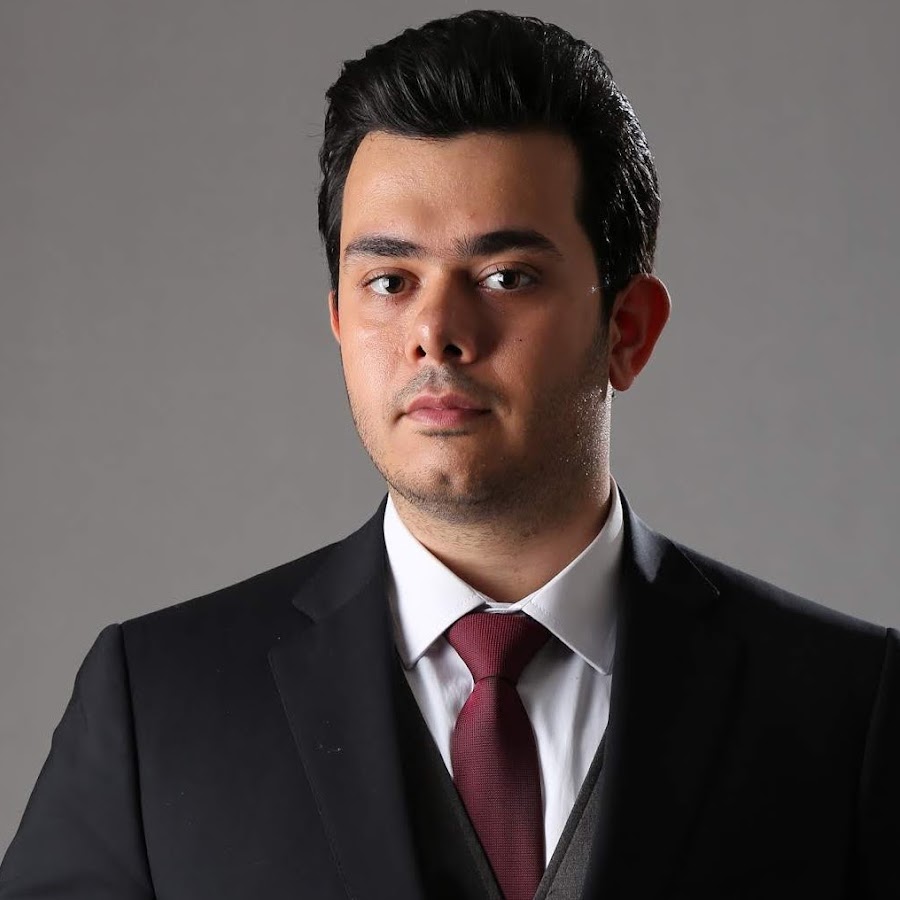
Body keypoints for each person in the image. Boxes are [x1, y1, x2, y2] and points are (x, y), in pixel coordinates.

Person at [1, 10, 897, 900]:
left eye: (507, 277)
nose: (435, 332)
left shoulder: (848, 707)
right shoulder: (156, 705)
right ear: (340, 322)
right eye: (389, 282)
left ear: (627, 329)